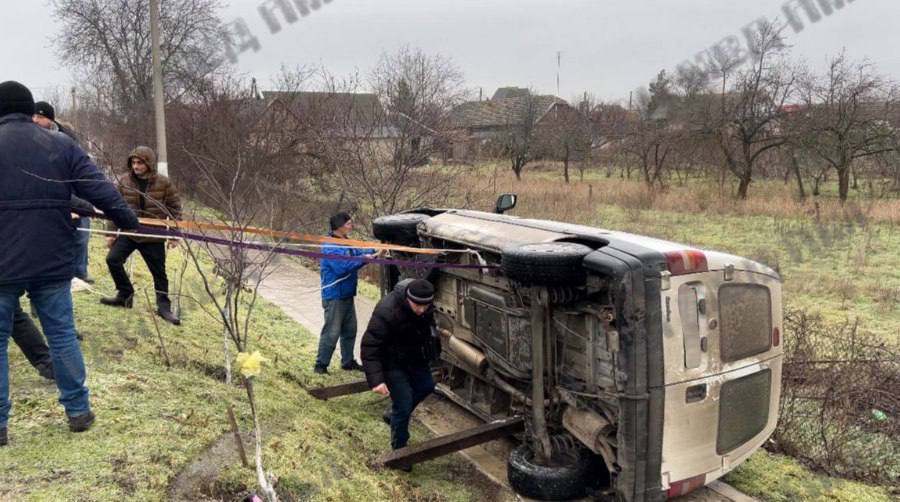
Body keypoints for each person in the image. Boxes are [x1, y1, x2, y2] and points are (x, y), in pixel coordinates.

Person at [0, 81, 139, 446]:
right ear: (31, 110)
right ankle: (78, 411)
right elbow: (99, 187)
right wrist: (127, 220)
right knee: (61, 335)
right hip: (52, 259)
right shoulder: (59, 144)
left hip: (2, 263)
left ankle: (0, 425)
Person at [361, 279, 440, 466]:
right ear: (407, 298)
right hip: (391, 362)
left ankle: (393, 415)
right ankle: (400, 452)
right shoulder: (387, 311)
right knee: (403, 404)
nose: (421, 310)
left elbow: (427, 330)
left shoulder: (426, 308)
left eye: (425, 306)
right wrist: (376, 381)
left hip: (414, 358)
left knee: (427, 386)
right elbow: (369, 346)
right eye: (417, 306)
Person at [100, 146, 182, 325]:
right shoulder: (123, 181)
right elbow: (114, 208)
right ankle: (125, 295)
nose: (136, 166)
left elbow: (175, 209)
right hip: (130, 233)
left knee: (159, 273)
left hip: (153, 236)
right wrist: (111, 233)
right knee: (112, 260)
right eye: (133, 163)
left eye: (140, 163)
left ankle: (163, 307)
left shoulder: (164, 183)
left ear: (149, 163)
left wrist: (174, 235)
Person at [33, 101, 94, 283]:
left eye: (40, 117)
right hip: (49, 195)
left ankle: (80, 273)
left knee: (82, 235)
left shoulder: (67, 138)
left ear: (50, 119)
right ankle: (59, 274)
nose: (35, 120)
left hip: (74, 190)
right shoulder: (31, 138)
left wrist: (76, 204)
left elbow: (79, 170)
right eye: (34, 116)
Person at [314, 212, 378, 374]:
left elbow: (357, 252)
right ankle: (321, 365)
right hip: (334, 295)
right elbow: (342, 268)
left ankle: (348, 362)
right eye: (348, 224)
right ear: (339, 226)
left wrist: (377, 248)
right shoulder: (330, 246)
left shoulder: (345, 242)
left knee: (350, 329)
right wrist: (365, 258)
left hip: (347, 294)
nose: (351, 226)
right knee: (332, 332)